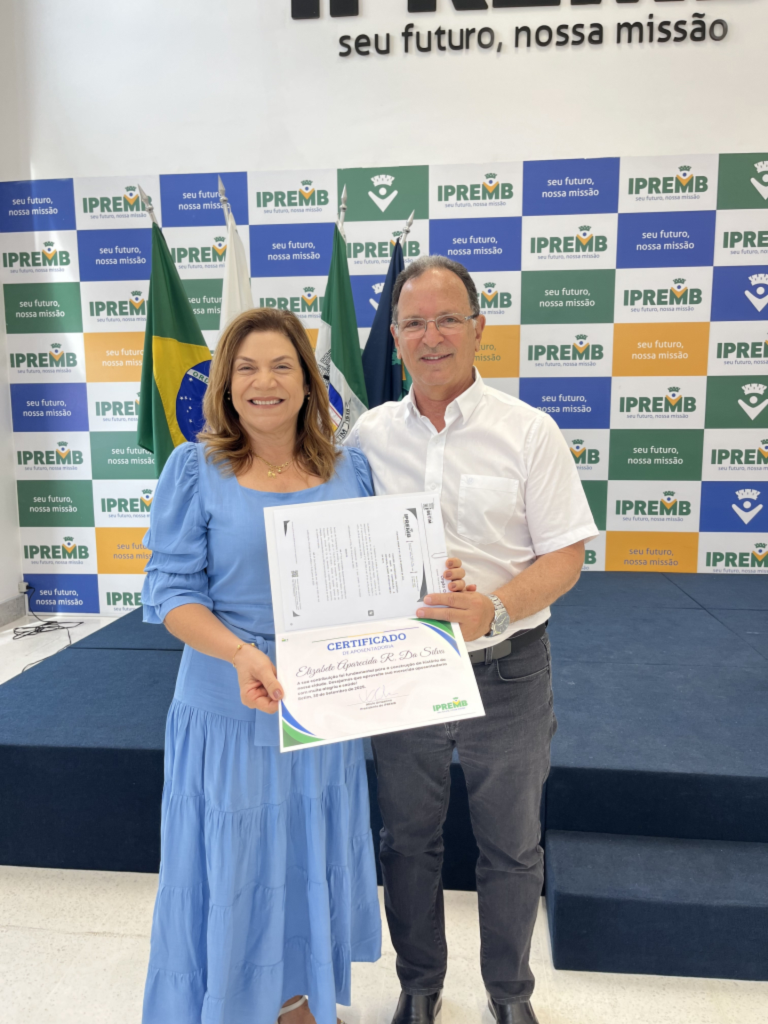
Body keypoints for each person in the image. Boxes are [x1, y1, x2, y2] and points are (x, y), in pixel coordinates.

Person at [140, 307, 470, 1024]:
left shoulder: (350, 470)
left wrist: (434, 583)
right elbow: (169, 592)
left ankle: (294, 999)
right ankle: (229, 1003)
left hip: (323, 705)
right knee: (235, 860)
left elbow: (385, 582)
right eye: (247, 368)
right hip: (231, 703)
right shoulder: (194, 469)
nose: (265, 382)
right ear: (226, 384)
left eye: (282, 366)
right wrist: (240, 652)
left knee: (303, 851)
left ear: (309, 381)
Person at [346, 256, 598, 1024]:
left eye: (448, 319)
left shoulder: (528, 431)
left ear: (479, 327)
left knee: (512, 846)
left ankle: (509, 995)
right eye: (414, 322)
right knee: (407, 840)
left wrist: (492, 607)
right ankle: (420, 984)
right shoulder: (367, 437)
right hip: (406, 669)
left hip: (508, 669)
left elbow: (565, 557)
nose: (432, 336)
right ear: (395, 336)